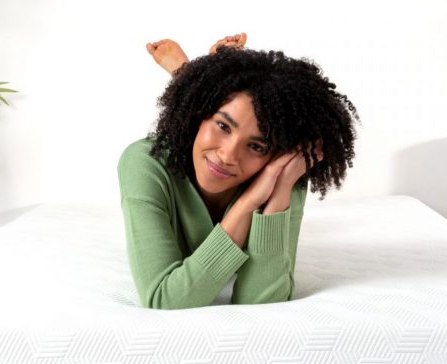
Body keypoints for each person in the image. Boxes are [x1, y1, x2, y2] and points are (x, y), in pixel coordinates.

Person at [118, 34, 358, 309]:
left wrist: (279, 191)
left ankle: (196, 80)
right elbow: (165, 299)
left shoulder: (282, 172)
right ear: (198, 115)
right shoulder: (145, 163)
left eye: (256, 146)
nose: (228, 156)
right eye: (222, 126)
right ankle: (189, 75)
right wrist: (247, 203)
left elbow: (261, 302)